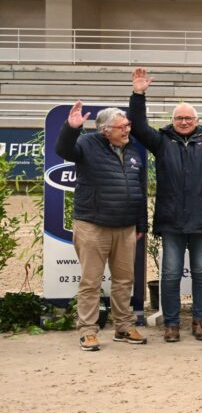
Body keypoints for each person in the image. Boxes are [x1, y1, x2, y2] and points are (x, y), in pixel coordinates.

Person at [127, 68, 202, 343]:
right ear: (172, 121)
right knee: (170, 275)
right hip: (171, 221)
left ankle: (200, 320)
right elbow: (138, 126)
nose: (183, 122)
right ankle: (171, 323)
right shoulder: (161, 141)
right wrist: (138, 94)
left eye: (188, 118)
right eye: (179, 118)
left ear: (197, 121)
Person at [57, 101, 148, 351]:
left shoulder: (133, 150)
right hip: (92, 225)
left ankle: (124, 326)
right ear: (105, 130)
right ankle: (87, 331)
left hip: (126, 226)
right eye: (122, 127)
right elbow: (64, 150)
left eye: (128, 125)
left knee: (124, 280)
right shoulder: (87, 144)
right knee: (91, 281)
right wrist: (71, 128)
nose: (127, 130)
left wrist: (141, 223)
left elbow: (139, 189)